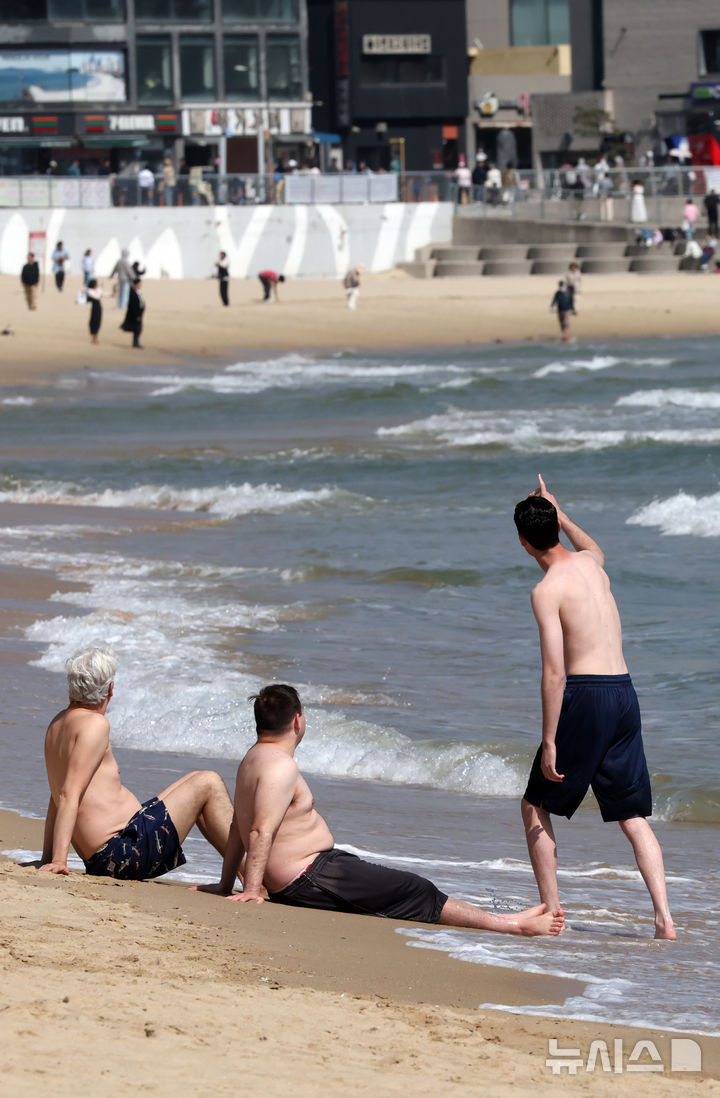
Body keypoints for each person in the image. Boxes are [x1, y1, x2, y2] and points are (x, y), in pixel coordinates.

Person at [197, 685, 563, 935]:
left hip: (315, 871)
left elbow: (238, 824)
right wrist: (253, 889)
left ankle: (506, 920)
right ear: (297, 721)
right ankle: (512, 926)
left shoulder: (251, 760)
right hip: (309, 876)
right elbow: (258, 829)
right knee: (415, 889)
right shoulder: (281, 766)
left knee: (401, 887)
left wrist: (228, 883)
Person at [513, 477, 675, 940]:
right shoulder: (590, 565)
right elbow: (593, 547)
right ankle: (664, 919)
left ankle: (551, 913)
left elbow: (554, 673)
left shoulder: (547, 590)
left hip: (587, 696)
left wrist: (549, 739)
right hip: (624, 692)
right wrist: (560, 512)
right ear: (556, 529)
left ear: (523, 542)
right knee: (632, 815)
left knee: (534, 805)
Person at [40, 645, 235, 880]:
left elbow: (57, 795)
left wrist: (47, 857)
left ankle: (244, 876)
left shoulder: (57, 724)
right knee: (208, 782)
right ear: (110, 689)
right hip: (121, 855)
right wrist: (59, 861)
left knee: (195, 778)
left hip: (113, 852)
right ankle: (253, 879)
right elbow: (67, 795)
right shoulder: (94, 724)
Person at [121, 277, 145, 348]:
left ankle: (136, 343)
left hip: (139, 313)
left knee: (138, 328)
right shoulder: (132, 292)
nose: (141, 285)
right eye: (140, 283)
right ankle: (135, 343)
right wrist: (137, 314)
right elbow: (133, 304)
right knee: (137, 328)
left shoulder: (137, 292)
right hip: (135, 313)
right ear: (136, 284)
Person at [85, 278, 107, 344]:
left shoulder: (97, 290)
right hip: (94, 308)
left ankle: (95, 337)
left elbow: (105, 294)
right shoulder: (89, 291)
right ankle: (93, 338)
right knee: (94, 321)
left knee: (98, 322)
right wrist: (99, 290)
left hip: (98, 307)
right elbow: (96, 296)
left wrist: (114, 292)